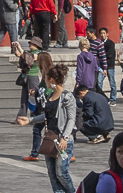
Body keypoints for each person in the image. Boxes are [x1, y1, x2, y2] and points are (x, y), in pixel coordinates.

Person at [19, 62, 76, 193]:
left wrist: (65, 138)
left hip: (62, 139)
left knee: (61, 173)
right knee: (51, 173)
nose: (44, 81)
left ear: (51, 80)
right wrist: (30, 120)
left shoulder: (67, 96)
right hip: (50, 138)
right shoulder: (50, 96)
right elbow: (47, 116)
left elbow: (71, 119)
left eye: (45, 78)